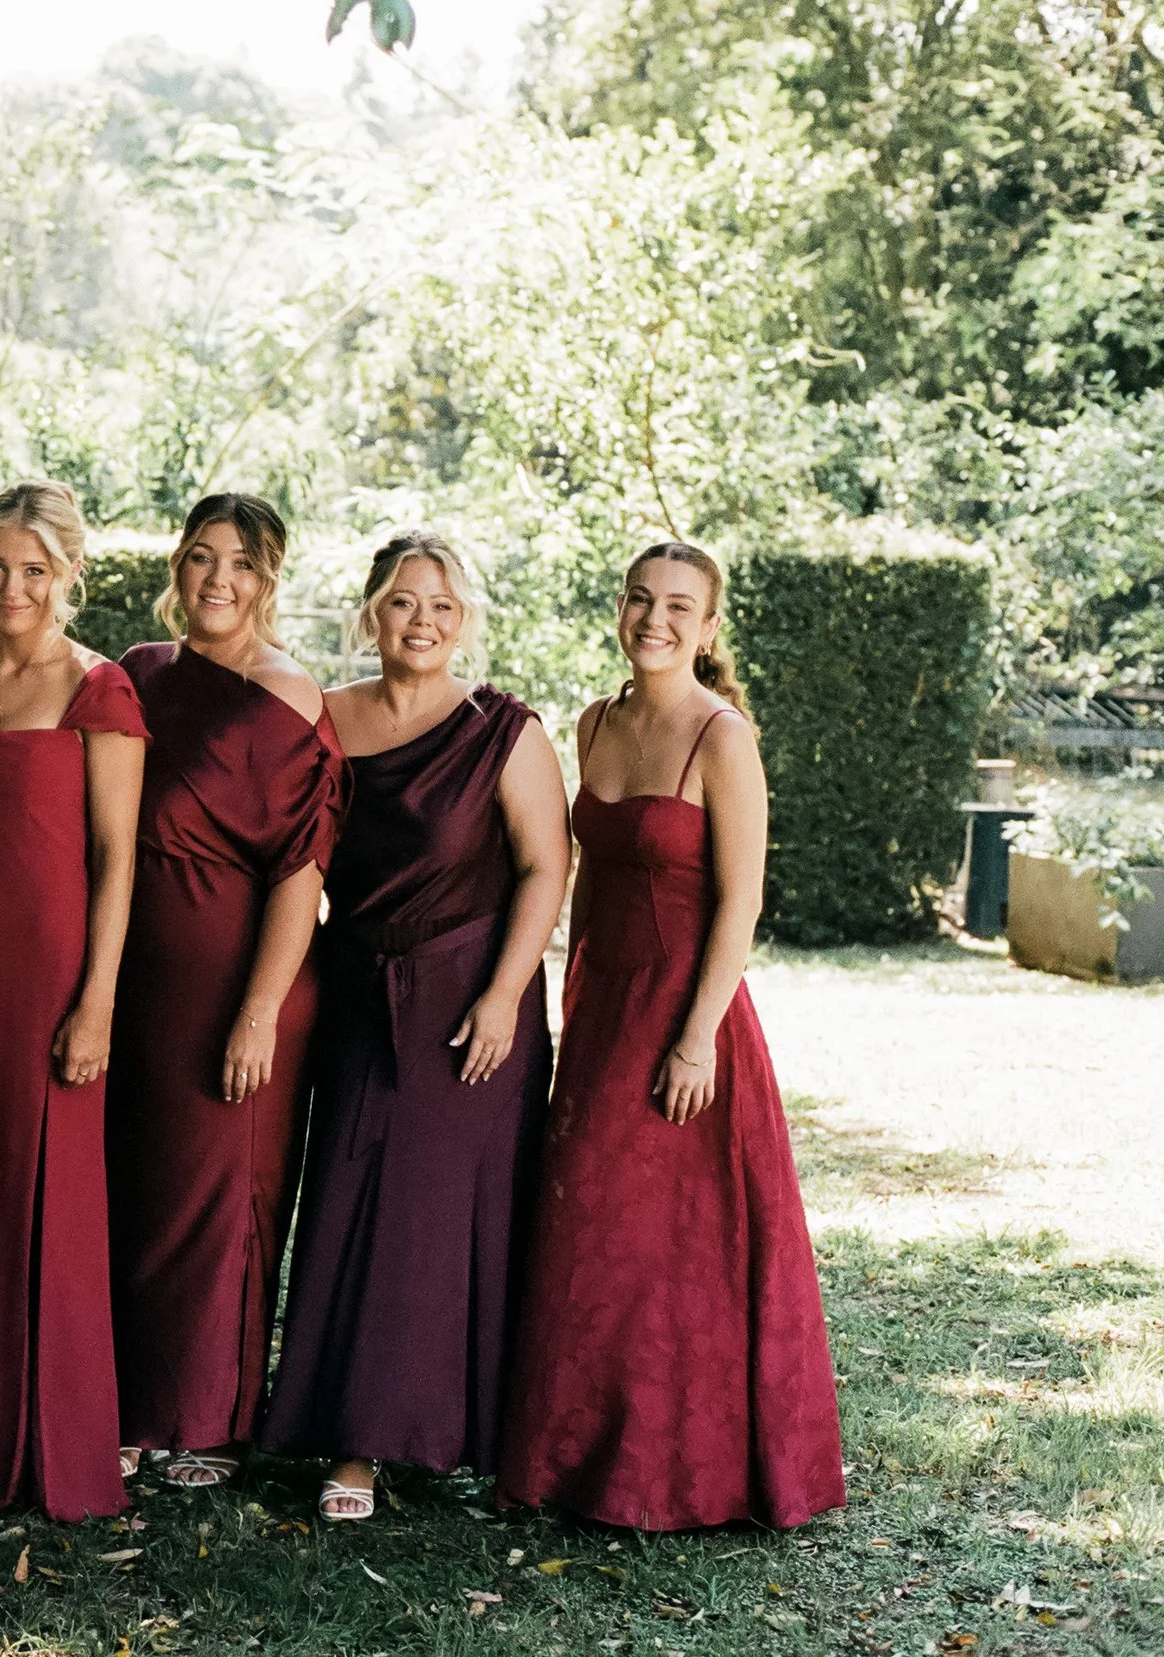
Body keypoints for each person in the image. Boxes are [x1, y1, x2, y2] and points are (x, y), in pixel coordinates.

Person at [497, 542, 845, 1531]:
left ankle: (676, 1470)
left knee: (674, 1241)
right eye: (640, 599)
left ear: (706, 625)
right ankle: (576, 1458)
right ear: (621, 606)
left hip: (686, 1013)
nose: (655, 619)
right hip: (601, 1000)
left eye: (677, 606)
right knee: (594, 1230)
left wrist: (695, 1038)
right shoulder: (596, 721)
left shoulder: (720, 737)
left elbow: (741, 901)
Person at [258, 530, 569, 1523]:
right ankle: (349, 1433)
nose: (420, 620)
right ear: (370, 613)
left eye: (439, 603)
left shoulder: (504, 730)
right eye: (401, 601)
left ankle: (429, 1437)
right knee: (349, 1206)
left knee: (439, 1222)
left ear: (463, 618)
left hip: (473, 999)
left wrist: (502, 994)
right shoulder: (327, 719)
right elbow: (298, 859)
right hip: (356, 988)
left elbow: (544, 869)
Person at [0, 482, 146, 1520]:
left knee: (46, 1190)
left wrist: (96, 1000)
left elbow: (115, 854)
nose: (12, 587)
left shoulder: (100, 691)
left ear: (67, 574)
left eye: (35, 570)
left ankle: (44, 1439)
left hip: (53, 973)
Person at [106, 493, 342, 1489]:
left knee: (222, 1197)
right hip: (137, 974)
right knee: (140, 1193)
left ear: (269, 578)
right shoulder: (138, 674)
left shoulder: (291, 698)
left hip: (245, 983)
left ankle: (206, 1420)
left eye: (240, 563)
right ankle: (127, 1398)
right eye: (200, 557)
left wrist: (256, 1010)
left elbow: (301, 867)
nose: (216, 579)